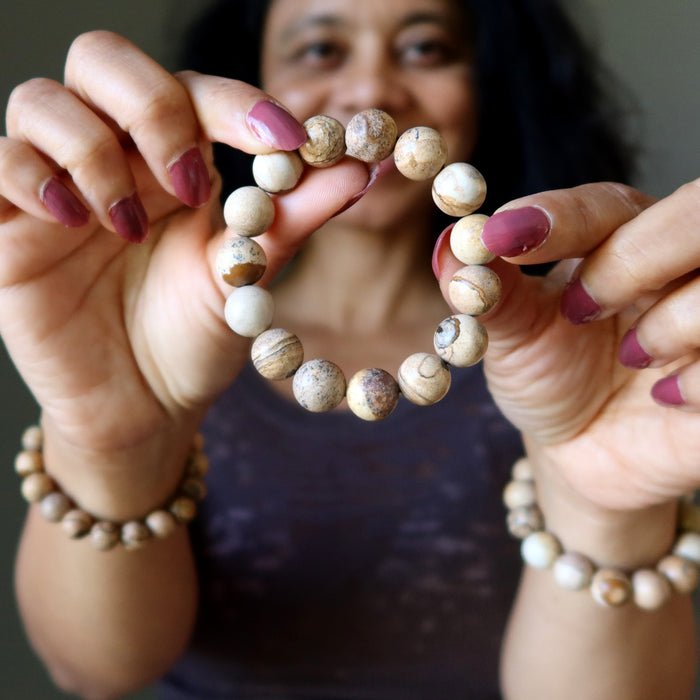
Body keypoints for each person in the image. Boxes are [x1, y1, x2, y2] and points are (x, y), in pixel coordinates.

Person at [1, 0, 699, 698]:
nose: (370, 91)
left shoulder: (581, 351)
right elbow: (94, 673)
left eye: (425, 48)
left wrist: (600, 508)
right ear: (257, 77)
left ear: (485, 82)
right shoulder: (170, 331)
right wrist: (114, 446)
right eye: (321, 50)